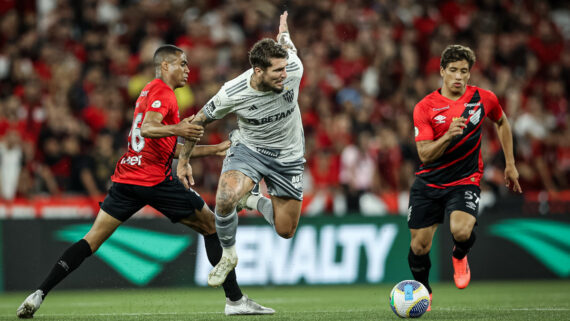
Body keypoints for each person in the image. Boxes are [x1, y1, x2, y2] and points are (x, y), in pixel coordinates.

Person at [17, 44, 274, 319]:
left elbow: (169, 147)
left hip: (126, 179)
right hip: (153, 180)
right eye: (182, 64)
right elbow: (148, 128)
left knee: (91, 240)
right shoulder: (164, 93)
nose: (187, 69)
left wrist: (215, 148)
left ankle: (39, 293)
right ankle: (235, 300)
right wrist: (179, 128)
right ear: (166, 66)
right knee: (212, 227)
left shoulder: (148, 92)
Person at [176, 11, 305, 287]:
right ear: (258, 71)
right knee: (224, 198)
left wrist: (283, 32)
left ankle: (254, 200)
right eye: (277, 71)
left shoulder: (293, 68)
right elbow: (197, 122)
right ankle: (229, 255)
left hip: (288, 155)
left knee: (285, 230)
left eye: (285, 68)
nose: (285, 75)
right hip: (249, 148)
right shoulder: (232, 93)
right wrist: (184, 160)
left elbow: (288, 47)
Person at [407, 44, 522, 311]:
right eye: (453, 71)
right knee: (419, 246)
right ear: (442, 72)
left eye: (464, 71)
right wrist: (448, 136)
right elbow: (424, 155)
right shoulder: (425, 107)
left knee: (461, 230)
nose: (459, 76)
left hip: (464, 180)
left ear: (470, 74)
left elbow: (502, 122)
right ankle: (424, 291)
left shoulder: (483, 98)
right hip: (428, 183)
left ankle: (460, 255)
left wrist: (510, 164)